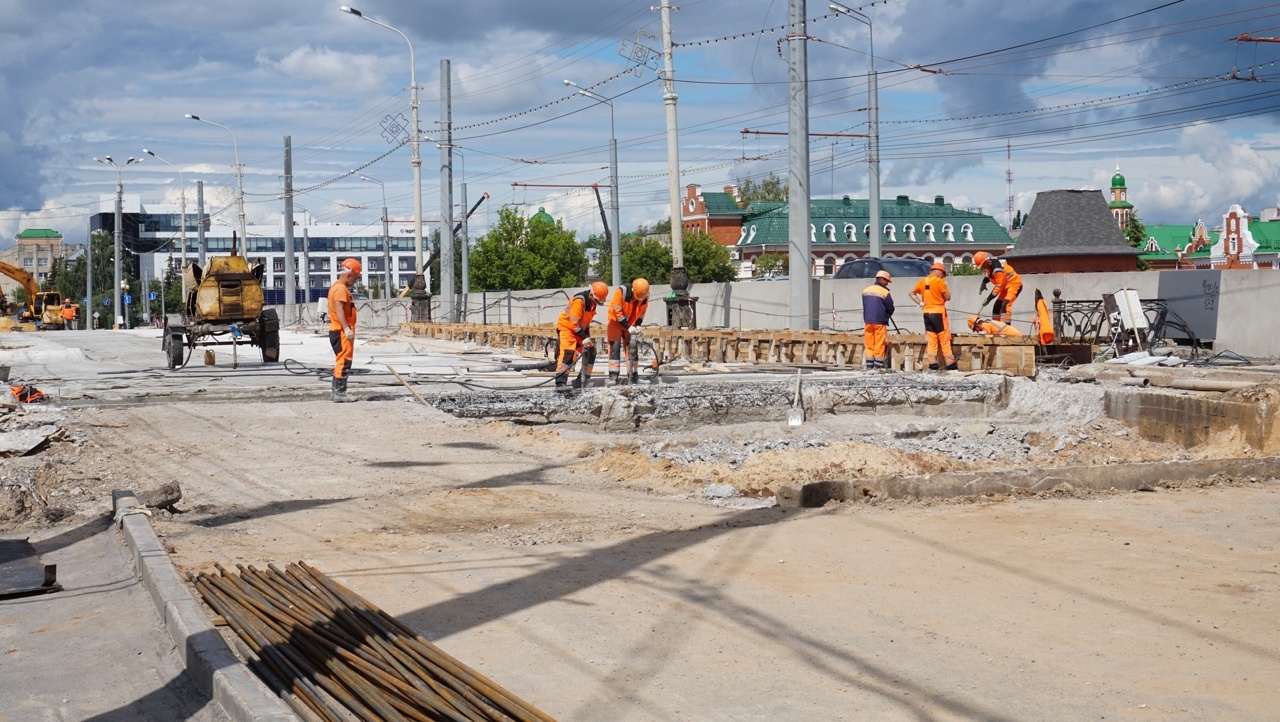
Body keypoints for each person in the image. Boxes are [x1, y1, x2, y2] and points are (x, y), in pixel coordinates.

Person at [554, 281, 609, 392]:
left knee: (590, 351)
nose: (597, 303)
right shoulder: (580, 301)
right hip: (567, 328)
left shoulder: (592, 304)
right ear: (592, 295)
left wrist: (586, 337)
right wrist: (584, 337)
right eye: (597, 300)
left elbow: (585, 323)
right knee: (568, 353)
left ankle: (582, 380)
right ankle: (560, 383)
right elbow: (573, 323)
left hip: (577, 330)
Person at [908, 261, 958, 370]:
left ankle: (932, 363)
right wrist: (946, 287)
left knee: (932, 338)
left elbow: (911, 293)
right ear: (940, 272)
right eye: (943, 275)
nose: (944, 277)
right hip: (938, 312)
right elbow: (948, 297)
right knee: (944, 338)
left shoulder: (922, 281)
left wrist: (920, 303)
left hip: (926, 312)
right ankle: (950, 364)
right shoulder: (940, 282)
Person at [327, 258, 361, 403]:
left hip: (337, 329)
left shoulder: (335, 286)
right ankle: (340, 393)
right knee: (344, 361)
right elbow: (339, 309)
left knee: (340, 361)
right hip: (341, 331)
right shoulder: (341, 288)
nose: (355, 282)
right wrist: (347, 329)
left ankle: (336, 392)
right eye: (355, 278)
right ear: (349, 275)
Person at [606, 278, 651, 385]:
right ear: (632, 289)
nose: (640, 299)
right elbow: (617, 313)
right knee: (614, 348)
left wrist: (638, 325)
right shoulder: (621, 292)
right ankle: (613, 377)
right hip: (615, 322)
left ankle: (633, 377)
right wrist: (629, 327)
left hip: (631, 323)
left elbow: (642, 312)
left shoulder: (644, 296)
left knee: (632, 349)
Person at [973, 251, 1023, 324]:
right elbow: (989, 274)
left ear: (986, 262)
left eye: (982, 266)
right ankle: (996, 327)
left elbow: (998, 288)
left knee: (1005, 305)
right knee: (997, 306)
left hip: (1014, 285)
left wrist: (988, 299)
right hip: (1005, 287)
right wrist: (984, 283)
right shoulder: (990, 264)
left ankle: (1007, 329)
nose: (982, 268)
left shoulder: (998, 270)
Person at [861, 270, 894, 370]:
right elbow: (891, 307)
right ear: (882, 279)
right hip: (880, 321)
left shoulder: (865, 290)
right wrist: (887, 315)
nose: (887, 283)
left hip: (868, 321)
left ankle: (869, 365)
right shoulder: (885, 292)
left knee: (869, 343)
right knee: (879, 343)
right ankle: (878, 365)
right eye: (887, 281)